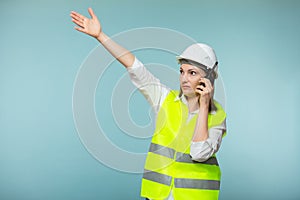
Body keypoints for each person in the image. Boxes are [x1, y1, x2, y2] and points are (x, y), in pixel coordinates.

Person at [70, 8, 227, 200]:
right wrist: (100, 36)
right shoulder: (163, 98)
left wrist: (204, 106)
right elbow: (135, 66)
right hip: (157, 195)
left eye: (192, 73)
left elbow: (200, 153)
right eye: (182, 71)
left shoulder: (217, 116)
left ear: (208, 78)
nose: (184, 78)